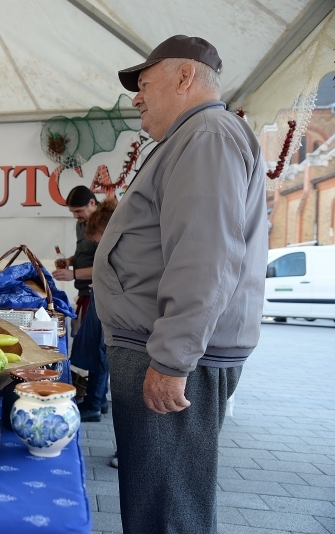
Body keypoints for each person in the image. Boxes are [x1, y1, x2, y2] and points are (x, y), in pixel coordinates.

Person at [93, 35, 268, 533]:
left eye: (145, 84)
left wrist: (171, 360)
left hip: (169, 353)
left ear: (184, 77)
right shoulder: (197, 135)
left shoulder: (207, 134)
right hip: (163, 346)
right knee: (158, 502)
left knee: (167, 511)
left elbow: (205, 255)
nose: (137, 98)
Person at [69, 197, 117, 423]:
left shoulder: (120, 247)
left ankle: (93, 404)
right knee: (100, 350)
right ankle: (98, 400)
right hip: (101, 295)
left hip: (109, 304)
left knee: (99, 350)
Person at [52, 186, 97, 325]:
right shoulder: (81, 223)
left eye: (78, 211)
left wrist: (74, 274)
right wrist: (70, 261)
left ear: (92, 203)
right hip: (84, 292)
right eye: (72, 212)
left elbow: (108, 266)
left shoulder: (106, 225)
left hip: (97, 295)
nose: (75, 216)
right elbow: (85, 252)